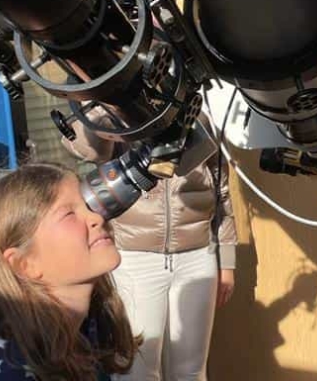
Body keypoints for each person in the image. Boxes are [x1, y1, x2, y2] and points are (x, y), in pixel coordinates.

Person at [62, 109, 238, 381]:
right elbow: (85, 148)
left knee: (191, 370)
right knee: (136, 370)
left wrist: (226, 262)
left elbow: (222, 193)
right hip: (134, 259)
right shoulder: (116, 118)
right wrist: (102, 99)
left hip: (198, 257)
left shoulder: (197, 116)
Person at [0, 163, 140, 381]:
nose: (98, 218)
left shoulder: (89, 327)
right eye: (68, 214)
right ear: (25, 264)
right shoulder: (6, 368)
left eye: (88, 205)